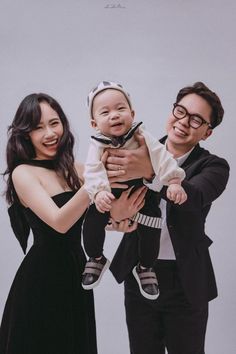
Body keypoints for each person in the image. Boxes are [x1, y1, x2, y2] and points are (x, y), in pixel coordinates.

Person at [107, 82, 230, 354]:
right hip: (139, 272)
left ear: (207, 132)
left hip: (185, 281)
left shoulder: (214, 166)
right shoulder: (137, 150)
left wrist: (151, 174)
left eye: (196, 119)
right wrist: (114, 216)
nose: (183, 122)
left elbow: (193, 196)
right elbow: (109, 198)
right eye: (180, 111)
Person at [0, 93, 104, 354]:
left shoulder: (76, 169)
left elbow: (105, 218)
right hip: (41, 279)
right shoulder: (22, 173)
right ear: (25, 134)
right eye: (37, 127)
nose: (49, 133)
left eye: (54, 123)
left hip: (76, 271)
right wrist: (96, 179)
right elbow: (60, 222)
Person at [82, 81, 187, 300]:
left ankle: (145, 267)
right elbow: (92, 170)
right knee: (92, 220)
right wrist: (99, 192)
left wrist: (174, 181)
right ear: (94, 123)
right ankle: (96, 257)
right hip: (110, 196)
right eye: (105, 112)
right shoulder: (98, 144)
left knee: (151, 230)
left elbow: (161, 156)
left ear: (132, 112)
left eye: (120, 109)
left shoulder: (141, 135)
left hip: (144, 194)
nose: (114, 115)